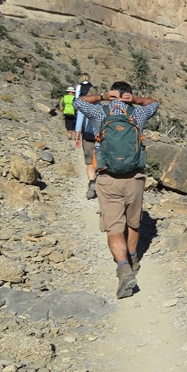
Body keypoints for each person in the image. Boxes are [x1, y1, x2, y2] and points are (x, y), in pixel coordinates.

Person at [74, 81, 159, 299]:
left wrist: (102, 96)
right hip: (134, 177)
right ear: (129, 94)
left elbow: (77, 101)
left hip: (108, 177)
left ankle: (123, 267)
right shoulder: (137, 113)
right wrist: (136, 100)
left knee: (114, 227)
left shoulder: (98, 111)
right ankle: (133, 257)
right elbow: (154, 103)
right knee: (133, 222)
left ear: (113, 93)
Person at [74, 74, 99, 199]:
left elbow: (79, 121)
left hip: (88, 136)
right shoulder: (102, 107)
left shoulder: (84, 107)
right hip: (101, 137)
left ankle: (92, 182)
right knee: (99, 159)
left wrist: (77, 135)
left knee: (89, 162)